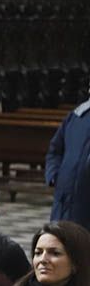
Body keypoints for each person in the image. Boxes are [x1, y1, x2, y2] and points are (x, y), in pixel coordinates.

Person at [46, 98, 90, 230]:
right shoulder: (77, 116)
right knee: (61, 243)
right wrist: (54, 175)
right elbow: (55, 151)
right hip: (65, 200)